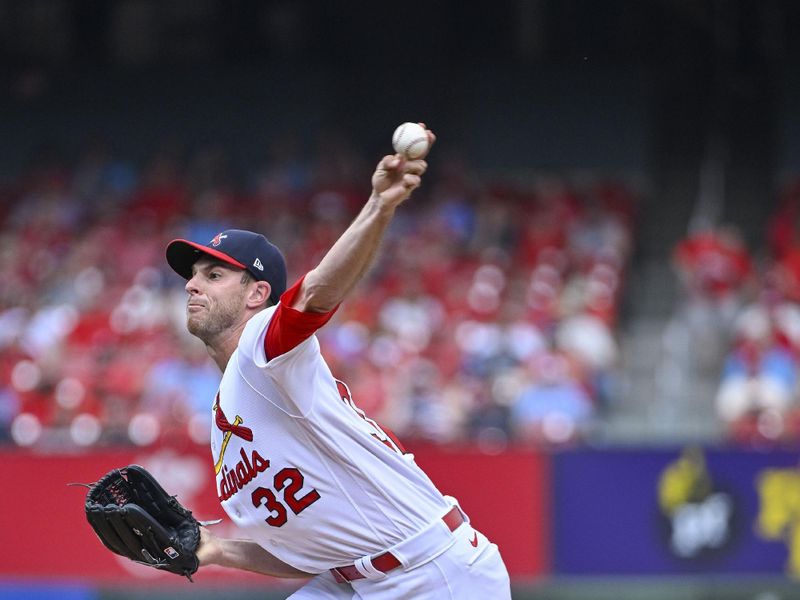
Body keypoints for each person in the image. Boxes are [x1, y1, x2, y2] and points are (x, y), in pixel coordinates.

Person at [164, 126, 511, 599]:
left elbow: (314, 295)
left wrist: (378, 206)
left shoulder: (261, 346)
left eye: (215, 274)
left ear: (258, 294)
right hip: (348, 580)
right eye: (193, 275)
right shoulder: (229, 411)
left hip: (432, 573)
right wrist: (219, 549)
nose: (192, 284)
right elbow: (305, 552)